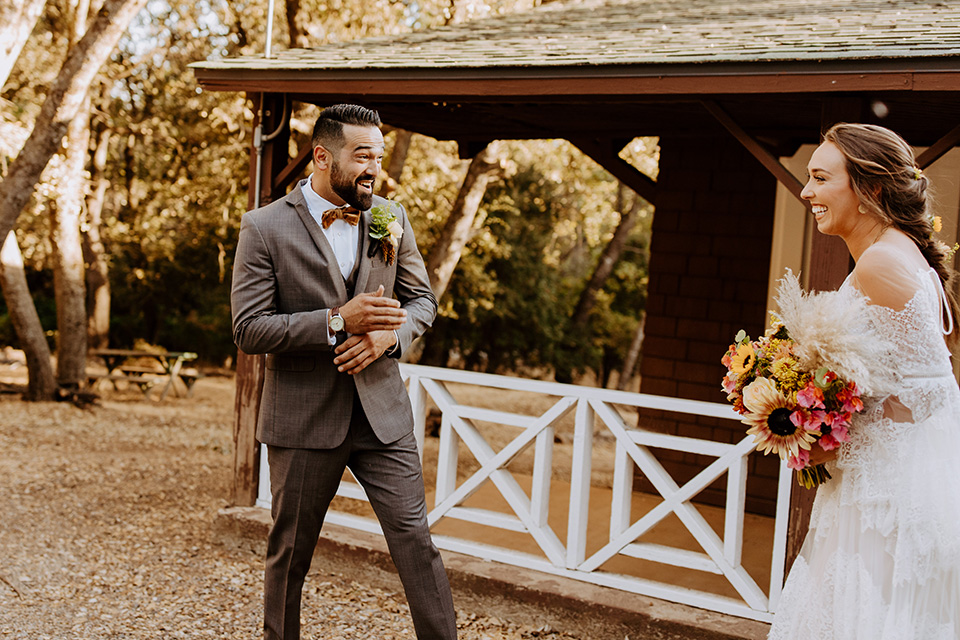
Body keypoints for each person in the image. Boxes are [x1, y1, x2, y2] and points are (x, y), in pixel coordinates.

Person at [231, 104, 457, 640]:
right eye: (362, 156)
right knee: (291, 554)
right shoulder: (263, 227)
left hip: (383, 415)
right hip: (305, 417)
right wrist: (337, 320)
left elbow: (422, 301)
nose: (372, 168)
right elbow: (248, 329)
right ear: (322, 156)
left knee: (416, 544)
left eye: (377, 156)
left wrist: (389, 336)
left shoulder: (389, 217)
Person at [768, 123, 960, 639]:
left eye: (820, 178)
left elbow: (928, 393)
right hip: (890, 478)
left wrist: (811, 424)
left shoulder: (879, 262)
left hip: (884, 496)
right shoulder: (897, 254)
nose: (806, 192)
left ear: (870, 189)